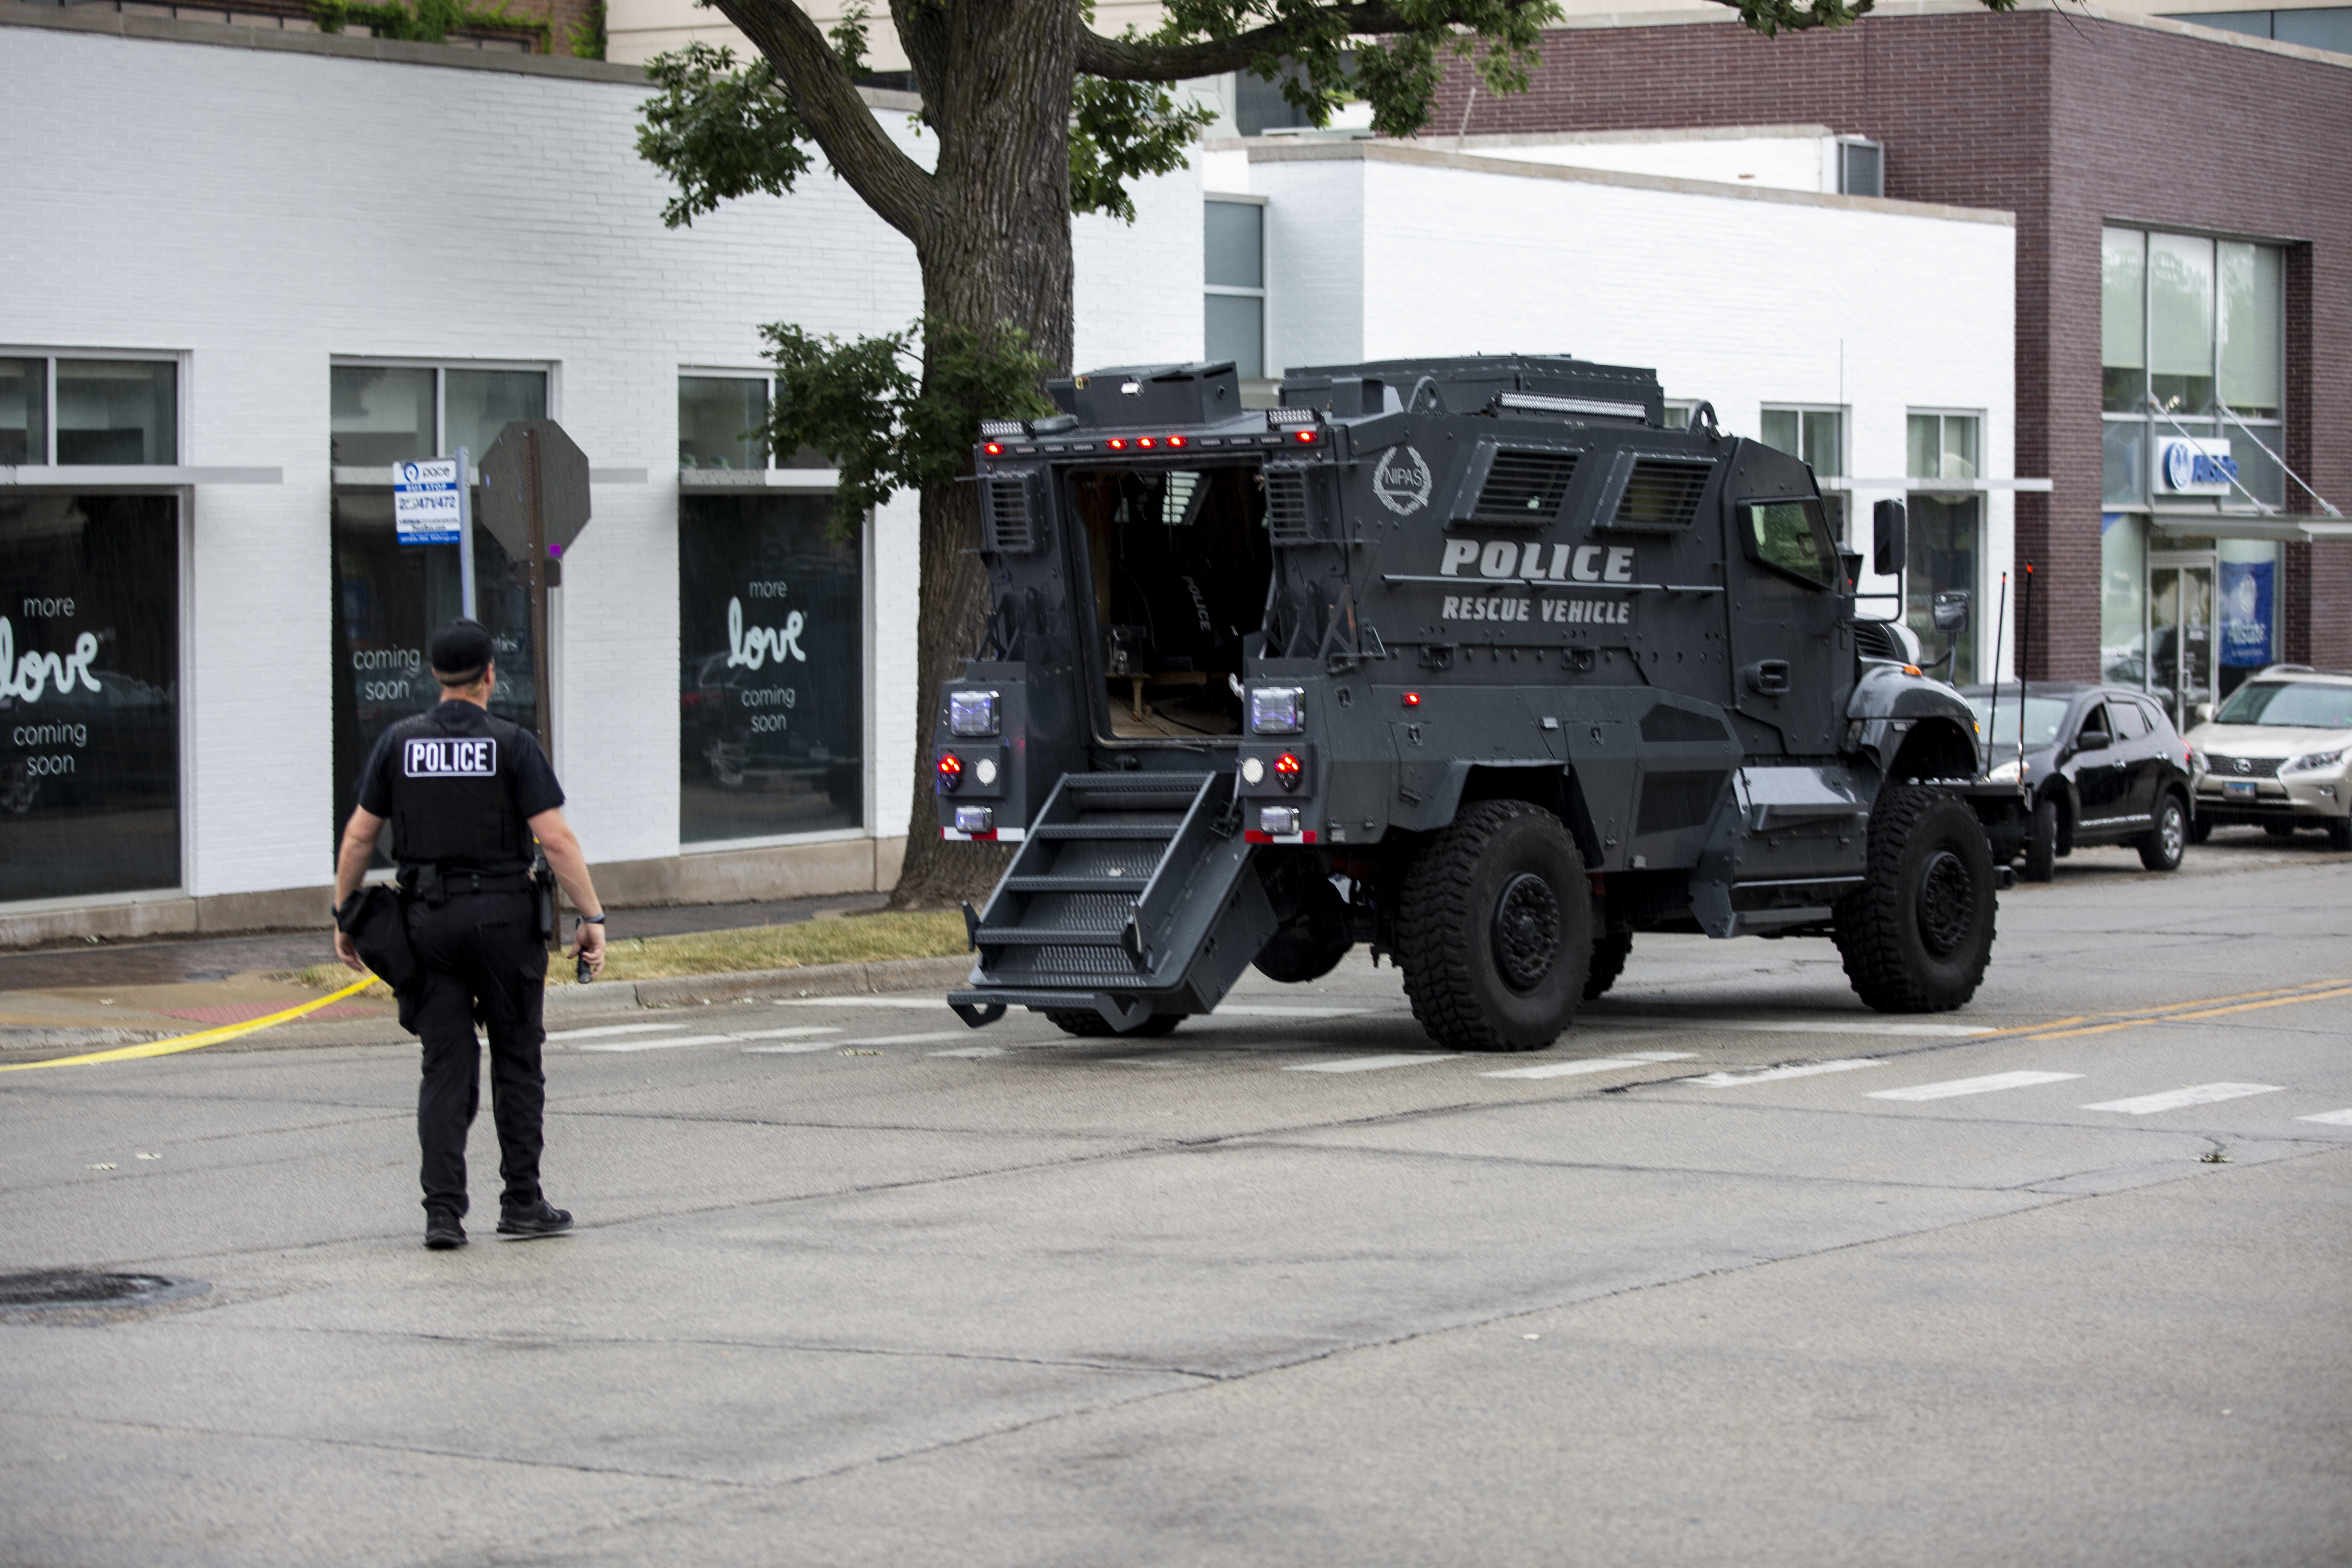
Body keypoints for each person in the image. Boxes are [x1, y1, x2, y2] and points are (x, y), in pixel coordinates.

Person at [333, 619, 608, 1251]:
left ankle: (443, 1214)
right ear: (490, 675)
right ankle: (521, 1202)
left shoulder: (399, 743)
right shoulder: (512, 743)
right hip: (506, 921)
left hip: (427, 924)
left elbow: (358, 836)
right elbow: (557, 840)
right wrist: (591, 917)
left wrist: (344, 915)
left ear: (435, 676)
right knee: (517, 1057)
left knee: (445, 1066)